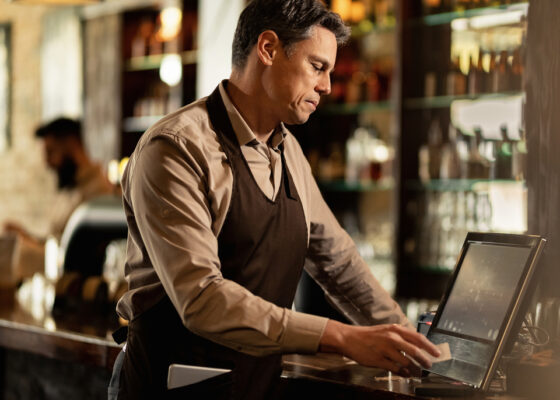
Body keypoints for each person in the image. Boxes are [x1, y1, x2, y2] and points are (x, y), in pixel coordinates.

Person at [111, 0, 440, 399]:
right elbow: (202, 298)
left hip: (256, 387)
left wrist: (409, 342)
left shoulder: (289, 152)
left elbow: (338, 263)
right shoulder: (176, 148)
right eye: (317, 67)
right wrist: (342, 336)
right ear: (267, 49)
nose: (327, 87)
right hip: (168, 388)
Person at [3, 118, 114, 276]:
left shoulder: (98, 192)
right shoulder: (69, 188)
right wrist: (24, 235)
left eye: (50, 152)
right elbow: (56, 241)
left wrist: (24, 244)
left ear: (71, 145)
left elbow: (74, 258)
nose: (46, 163)